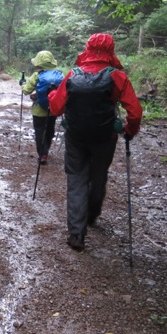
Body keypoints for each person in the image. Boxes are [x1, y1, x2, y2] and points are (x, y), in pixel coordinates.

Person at [48, 33, 142, 251]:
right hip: (104, 138)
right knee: (99, 176)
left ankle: (76, 234)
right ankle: (92, 214)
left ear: (87, 48)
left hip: (76, 137)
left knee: (76, 180)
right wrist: (129, 130)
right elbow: (135, 111)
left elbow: (56, 108)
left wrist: (54, 94)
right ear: (111, 50)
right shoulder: (117, 77)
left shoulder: (73, 75)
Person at [20, 50, 64, 165]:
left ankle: (42, 154)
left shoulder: (37, 75)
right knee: (50, 130)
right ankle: (46, 151)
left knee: (39, 131)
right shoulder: (60, 74)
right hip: (53, 109)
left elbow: (26, 90)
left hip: (39, 110)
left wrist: (23, 84)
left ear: (38, 63)